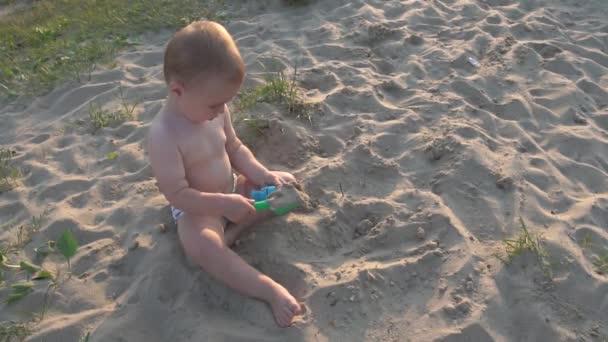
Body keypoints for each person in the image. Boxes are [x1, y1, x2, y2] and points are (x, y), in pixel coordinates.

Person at [147, 21, 302, 327]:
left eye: (225, 103)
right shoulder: (164, 135)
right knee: (202, 247)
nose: (220, 111)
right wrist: (223, 205)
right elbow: (178, 195)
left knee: (275, 186)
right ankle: (267, 289)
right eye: (214, 104)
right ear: (177, 90)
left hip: (231, 189)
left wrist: (263, 174)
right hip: (198, 210)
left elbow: (235, 148)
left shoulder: (214, 109)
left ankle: (235, 229)